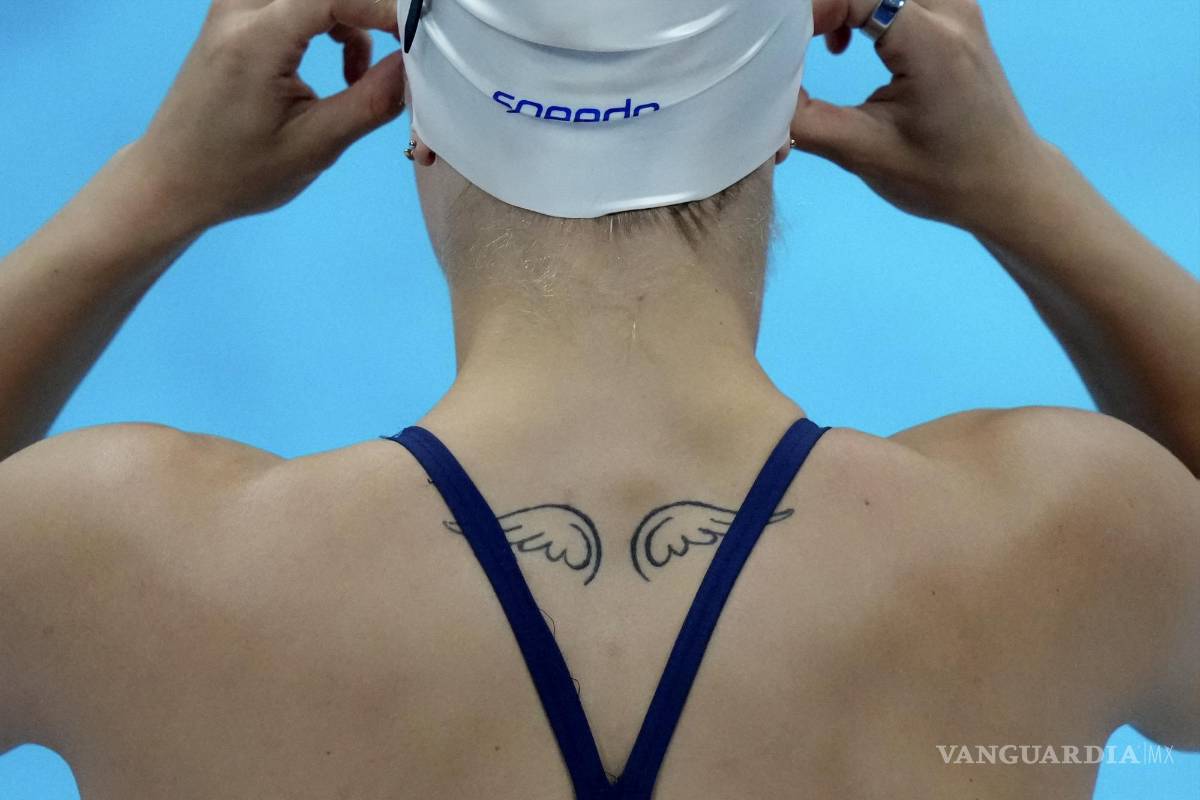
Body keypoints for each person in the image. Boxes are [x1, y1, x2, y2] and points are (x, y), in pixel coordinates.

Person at [0, 0, 1196, 797]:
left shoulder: (103, 555)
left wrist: (151, 190)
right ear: (780, 120)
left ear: (419, 122)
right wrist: (1028, 191)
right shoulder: (1077, 529)